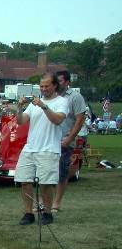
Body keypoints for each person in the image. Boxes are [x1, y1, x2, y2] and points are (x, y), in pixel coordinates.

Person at [15, 73, 68, 226]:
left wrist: (44, 106)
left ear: (55, 86)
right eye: (42, 86)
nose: (43, 89)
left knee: (46, 183)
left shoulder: (61, 102)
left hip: (49, 148)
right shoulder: (33, 104)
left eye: (47, 86)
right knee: (25, 180)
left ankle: (47, 212)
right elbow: (21, 121)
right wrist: (19, 108)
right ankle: (28, 213)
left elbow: (57, 120)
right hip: (30, 147)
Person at [51, 70, 88, 213]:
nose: (56, 84)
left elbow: (80, 120)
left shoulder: (75, 97)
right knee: (47, 172)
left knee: (61, 172)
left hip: (65, 139)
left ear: (67, 82)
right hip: (50, 140)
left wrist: (69, 139)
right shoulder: (52, 96)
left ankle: (56, 203)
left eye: (59, 81)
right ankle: (46, 201)